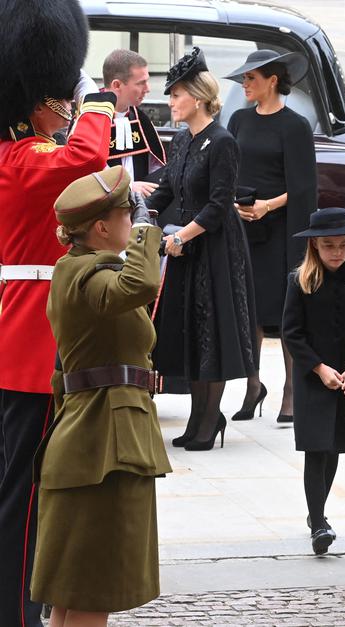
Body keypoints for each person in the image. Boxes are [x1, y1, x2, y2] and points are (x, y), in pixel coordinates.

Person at [0, 2, 116, 624]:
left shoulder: (19, 152)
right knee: (25, 493)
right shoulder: (22, 160)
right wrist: (97, 100)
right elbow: (87, 158)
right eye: (59, 100)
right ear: (36, 102)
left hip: (29, 334)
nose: (66, 111)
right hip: (33, 342)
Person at [31, 166, 172, 627]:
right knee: (94, 591)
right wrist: (148, 233)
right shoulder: (88, 274)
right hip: (104, 448)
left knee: (74, 592)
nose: (133, 221)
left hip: (93, 441)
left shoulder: (74, 270)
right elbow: (141, 285)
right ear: (101, 228)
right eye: (127, 215)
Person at [146, 47, 258, 451]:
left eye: (176, 95)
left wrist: (180, 237)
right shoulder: (181, 140)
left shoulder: (222, 142)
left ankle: (209, 420)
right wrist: (139, 214)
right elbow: (166, 189)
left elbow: (218, 205)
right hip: (184, 247)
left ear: (196, 97)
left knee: (212, 333)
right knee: (191, 333)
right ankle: (199, 419)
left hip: (213, 248)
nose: (171, 102)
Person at [225, 49, 318, 424]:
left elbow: (304, 186)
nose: (245, 84)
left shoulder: (294, 126)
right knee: (249, 311)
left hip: (281, 231)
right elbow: (228, 170)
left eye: (251, 78)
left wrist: (268, 205)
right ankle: (253, 385)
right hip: (244, 227)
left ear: (273, 80)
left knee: (285, 310)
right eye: (244, 78)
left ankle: (291, 390)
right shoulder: (239, 120)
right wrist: (235, 206)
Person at [282, 207, 345, 554]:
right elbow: (292, 333)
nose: (337, 252)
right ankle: (318, 521)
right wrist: (319, 368)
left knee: (334, 446)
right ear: (315, 246)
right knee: (315, 448)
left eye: (343, 245)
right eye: (329, 245)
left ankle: (317, 512)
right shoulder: (301, 281)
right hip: (313, 379)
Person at [102, 49, 166, 196]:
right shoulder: (90, 120)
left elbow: (156, 166)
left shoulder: (140, 119)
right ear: (117, 85)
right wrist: (128, 187)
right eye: (141, 83)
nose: (148, 89)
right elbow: (86, 172)